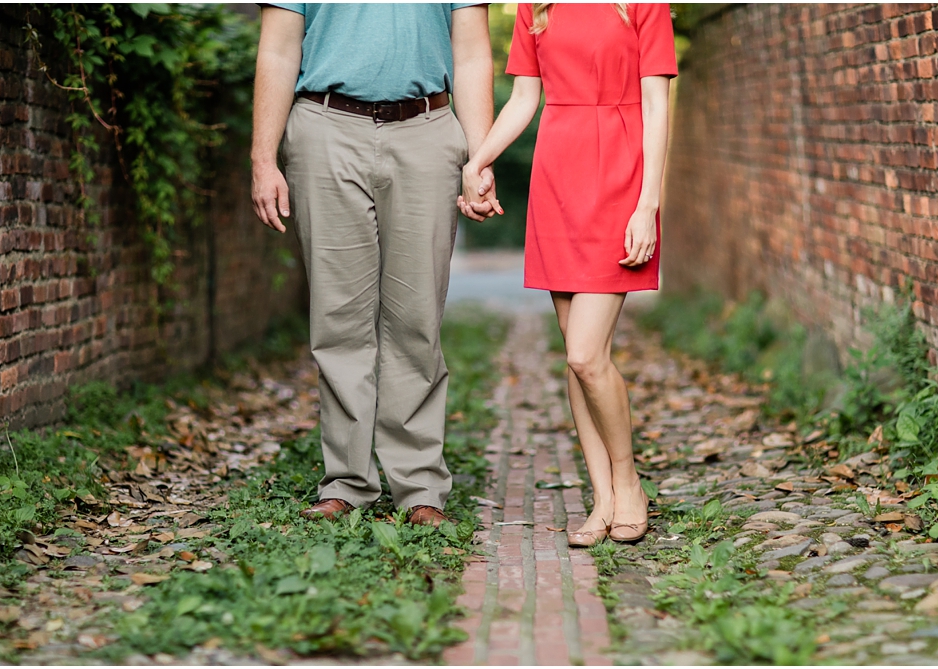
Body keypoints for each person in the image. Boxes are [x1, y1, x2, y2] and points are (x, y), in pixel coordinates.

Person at [251, 4, 499, 527]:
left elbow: (473, 53)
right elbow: (277, 48)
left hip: (428, 129)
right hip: (323, 128)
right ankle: (346, 481)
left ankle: (420, 486)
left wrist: (479, 160)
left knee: (416, 317)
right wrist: (262, 159)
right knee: (339, 319)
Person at [460, 3, 676, 545]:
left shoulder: (642, 4)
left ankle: (629, 485)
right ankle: (602, 500)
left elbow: (656, 102)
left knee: (585, 352)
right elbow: (525, 99)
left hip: (621, 177)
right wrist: (477, 160)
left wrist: (648, 203)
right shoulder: (538, 6)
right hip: (558, 178)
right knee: (579, 359)